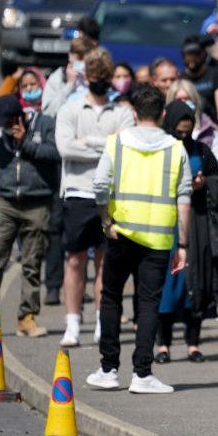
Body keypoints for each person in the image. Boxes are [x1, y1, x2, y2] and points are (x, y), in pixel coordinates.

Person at [86, 84, 192, 394]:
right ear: (162, 114)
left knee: (111, 298)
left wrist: (107, 220)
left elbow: (99, 185)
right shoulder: (176, 149)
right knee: (148, 305)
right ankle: (142, 374)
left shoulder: (116, 143)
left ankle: (108, 370)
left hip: (120, 234)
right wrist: (182, 245)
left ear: (133, 113)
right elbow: (183, 201)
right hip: (158, 240)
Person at [54, 47, 135, 347]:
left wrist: (87, 142)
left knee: (105, 261)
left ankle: (104, 321)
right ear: (86, 77)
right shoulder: (70, 109)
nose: (99, 81)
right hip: (77, 192)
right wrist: (105, 146)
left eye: (104, 76)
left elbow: (124, 148)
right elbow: (65, 148)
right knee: (75, 260)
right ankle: (73, 323)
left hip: (110, 196)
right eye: (95, 76)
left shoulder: (122, 112)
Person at [153, 101, 218, 365]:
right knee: (167, 287)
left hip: (196, 224)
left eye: (187, 131)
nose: (183, 136)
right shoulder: (160, 151)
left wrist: (204, 183)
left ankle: (193, 343)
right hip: (166, 225)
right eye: (178, 131)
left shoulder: (202, 151)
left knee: (195, 283)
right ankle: (163, 344)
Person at [0, 96, 60, 336]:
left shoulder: (45, 125)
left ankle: (26, 318)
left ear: (19, 117)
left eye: (9, 122)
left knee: (31, 263)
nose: (5, 127)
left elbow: (55, 154)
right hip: (5, 203)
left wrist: (25, 142)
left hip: (37, 203)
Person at [167, 79, 218, 170]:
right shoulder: (164, 132)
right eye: (179, 100)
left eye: (187, 99)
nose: (184, 103)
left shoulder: (209, 131)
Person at [181, 36, 218, 136]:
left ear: (203, 55)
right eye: (188, 55)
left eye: (195, 55)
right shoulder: (181, 79)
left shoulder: (214, 75)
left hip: (212, 128)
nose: (191, 60)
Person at [43, 36, 97, 117]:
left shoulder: (97, 76)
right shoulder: (59, 77)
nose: (81, 63)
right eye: (78, 59)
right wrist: (69, 84)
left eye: (84, 60)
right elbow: (48, 113)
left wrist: (92, 82)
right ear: (70, 56)